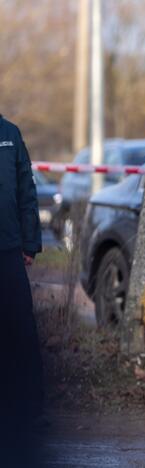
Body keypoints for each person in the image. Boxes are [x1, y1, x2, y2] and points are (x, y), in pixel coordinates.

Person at [0, 114, 44, 462]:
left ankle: (31, 408)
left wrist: (30, 243)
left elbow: (27, 191)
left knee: (21, 329)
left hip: (8, 249)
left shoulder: (10, 134)